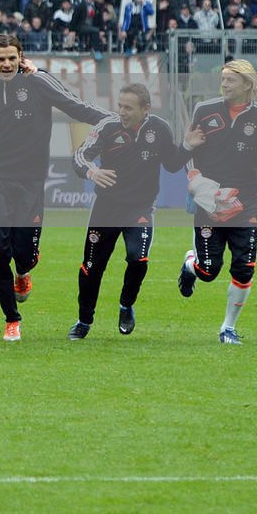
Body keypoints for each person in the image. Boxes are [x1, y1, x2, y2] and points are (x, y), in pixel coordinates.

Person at [0, 34, 111, 341]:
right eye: (1, 59)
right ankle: (12, 319)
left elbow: (76, 108)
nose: (7, 64)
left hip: (31, 181)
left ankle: (23, 274)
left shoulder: (39, 83)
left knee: (25, 254)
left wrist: (115, 121)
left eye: (12, 58)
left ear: (20, 57)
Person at [177, 60, 257, 344]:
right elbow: (188, 148)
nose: (224, 84)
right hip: (208, 203)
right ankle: (191, 263)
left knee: (244, 267)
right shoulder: (204, 111)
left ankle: (228, 328)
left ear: (247, 85)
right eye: (222, 79)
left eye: (230, 80)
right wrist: (195, 177)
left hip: (246, 205)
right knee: (208, 270)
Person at [68, 83, 188, 339]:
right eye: (120, 106)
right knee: (91, 267)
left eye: (128, 108)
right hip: (106, 209)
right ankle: (83, 321)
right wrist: (93, 171)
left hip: (140, 208)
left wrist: (188, 147)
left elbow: (173, 164)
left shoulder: (159, 129)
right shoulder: (107, 127)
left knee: (138, 258)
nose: (122, 112)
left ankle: (126, 305)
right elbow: (80, 156)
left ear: (146, 109)